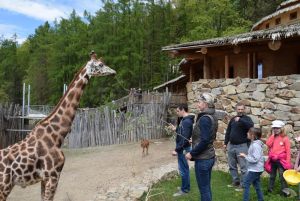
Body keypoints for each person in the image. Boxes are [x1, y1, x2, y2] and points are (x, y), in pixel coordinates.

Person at [185, 93, 218, 201]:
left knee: (204, 189)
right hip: (209, 156)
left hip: (203, 159)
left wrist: (191, 153)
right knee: (206, 188)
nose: (197, 104)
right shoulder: (213, 116)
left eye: (199, 102)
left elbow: (205, 140)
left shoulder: (205, 118)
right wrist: (194, 140)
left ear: (206, 104)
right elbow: (208, 136)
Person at [224, 102, 254, 191]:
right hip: (231, 146)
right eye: (238, 109)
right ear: (236, 110)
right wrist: (225, 143)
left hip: (242, 146)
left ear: (244, 110)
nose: (240, 111)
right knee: (232, 165)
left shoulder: (247, 119)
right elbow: (228, 131)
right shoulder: (233, 119)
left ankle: (244, 184)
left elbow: (251, 126)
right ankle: (235, 181)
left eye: (242, 109)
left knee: (244, 167)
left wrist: (240, 120)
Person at [169, 104, 194, 197]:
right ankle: (185, 186)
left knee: (183, 169)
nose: (177, 113)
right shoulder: (184, 120)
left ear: (183, 110)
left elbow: (185, 138)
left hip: (183, 148)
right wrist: (175, 129)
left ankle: (185, 190)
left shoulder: (187, 122)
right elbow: (182, 133)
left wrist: (176, 149)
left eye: (178, 111)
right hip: (182, 148)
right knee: (184, 168)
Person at [265, 120, 291, 194]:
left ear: (282, 129)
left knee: (282, 177)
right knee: (272, 176)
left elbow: (288, 151)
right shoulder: (272, 137)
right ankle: (270, 190)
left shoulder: (285, 138)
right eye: (274, 128)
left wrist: (288, 162)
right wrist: (273, 135)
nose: (276, 130)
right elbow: (268, 144)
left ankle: (285, 192)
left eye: (278, 128)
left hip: (281, 161)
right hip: (273, 160)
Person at [239, 127, 264, 201]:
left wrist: (245, 156)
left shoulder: (255, 145)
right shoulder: (254, 144)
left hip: (255, 169)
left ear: (252, 135)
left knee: (246, 184)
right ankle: (261, 199)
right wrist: (245, 155)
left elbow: (255, 159)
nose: (247, 133)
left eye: (248, 132)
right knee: (257, 185)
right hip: (256, 169)